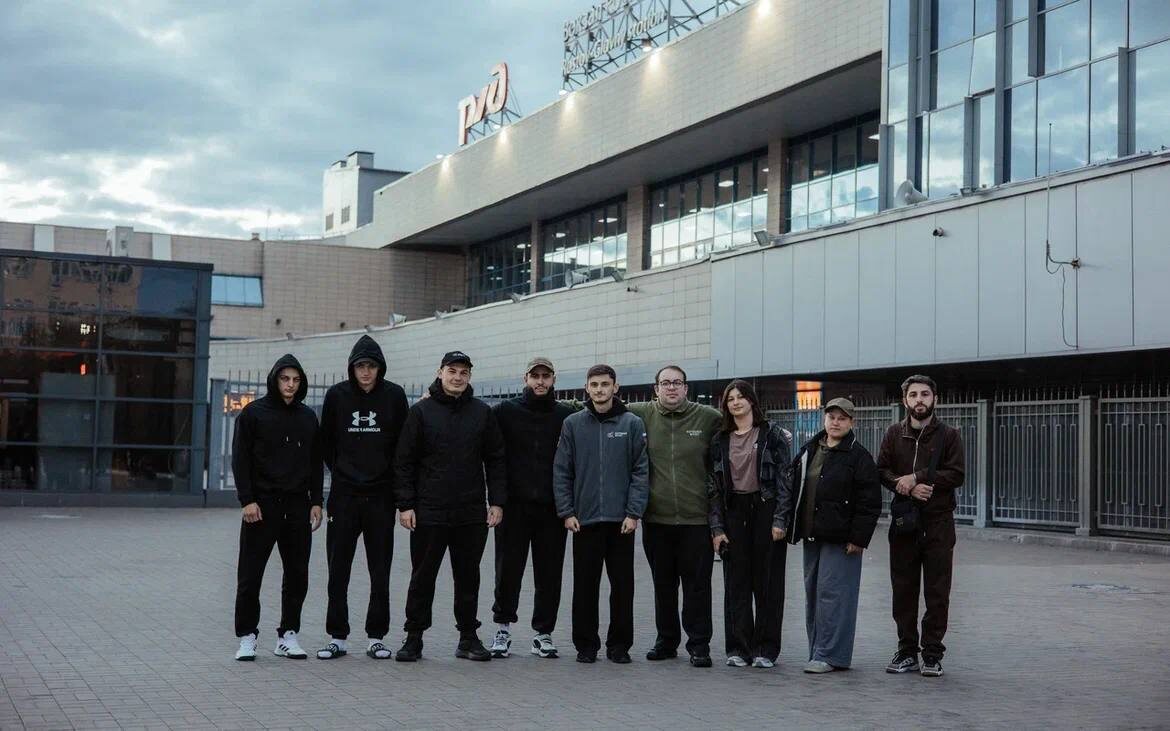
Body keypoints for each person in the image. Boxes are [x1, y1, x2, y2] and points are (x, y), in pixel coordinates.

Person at [393, 351, 506, 662]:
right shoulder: (421, 412)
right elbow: (404, 461)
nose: (457, 377)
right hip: (429, 511)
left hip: (470, 512)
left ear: (470, 377)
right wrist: (405, 504)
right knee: (422, 577)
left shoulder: (482, 413)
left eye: (463, 372)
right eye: (452, 371)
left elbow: (496, 459)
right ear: (440, 372)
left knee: (468, 577)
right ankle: (414, 637)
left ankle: (468, 637)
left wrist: (497, 502)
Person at [316, 335, 409, 661]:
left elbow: (403, 447)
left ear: (379, 367)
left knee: (380, 571)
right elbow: (325, 443)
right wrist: (344, 471)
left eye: (371, 366)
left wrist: (396, 492)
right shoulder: (336, 395)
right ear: (352, 368)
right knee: (337, 570)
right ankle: (337, 636)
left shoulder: (394, 396)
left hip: (381, 498)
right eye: (360, 366)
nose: (366, 372)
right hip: (344, 497)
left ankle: (376, 637)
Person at [553, 364, 649, 664]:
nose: (599, 390)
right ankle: (586, 645)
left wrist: (634, 513)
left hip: (622, 523)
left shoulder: (632, 423)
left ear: (615, 387)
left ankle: (619, 646)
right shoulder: (572, 424)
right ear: (587, 388)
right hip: (584, 521)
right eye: (594, 385)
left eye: (605, 384)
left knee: (622, 587)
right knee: (585, 587)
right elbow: (562, 471)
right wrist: (567, 511)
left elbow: (641, 471)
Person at [231, 353, 323, 661]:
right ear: (274, 380)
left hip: (297, 506)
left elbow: (315, 462)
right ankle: (247, 637)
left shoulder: (308, 417)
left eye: (296, 380)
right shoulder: (253, 414)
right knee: (250, 575)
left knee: (297, 574)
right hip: (261, 506)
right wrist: (247, 500)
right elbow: (240, 458)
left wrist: (316, 501)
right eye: (285, 379)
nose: (290, 385)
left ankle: (288, 635)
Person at [631, 365, 721, 668]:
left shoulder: (707, 417)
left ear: (686, 388)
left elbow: (741, 424)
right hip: (657, 520)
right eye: (665, 383)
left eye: (677, 382)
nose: (671, 387)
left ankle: (699, 645)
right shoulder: (641, 414)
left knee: (698, 586)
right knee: (663, 585)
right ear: (656, 388)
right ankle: (666, 641)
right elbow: (598, 404)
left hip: (696, 521)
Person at [877, 375, 965, 678]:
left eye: (925, 394)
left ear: (934, 399)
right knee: (903, 590)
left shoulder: (949, 435)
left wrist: (918, 477)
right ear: (905, 400)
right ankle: (906, 652)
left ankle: (932, 654)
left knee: (937, 591)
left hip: (939, 522)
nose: (919, 400)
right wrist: (906, 487)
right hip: (904, 522)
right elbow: (882, 471)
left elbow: (956, 474)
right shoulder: (893, 434)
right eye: (913, 395)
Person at [488, 357, 576, 659]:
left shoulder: (565, 416)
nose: (540, 381)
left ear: (553, 380)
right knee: (507, 571)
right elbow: (478, 428)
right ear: (525, 378)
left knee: (549, 574)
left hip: (552, 509)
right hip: (513, 508)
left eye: (545, 376)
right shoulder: (505, 411)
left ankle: (543, 633)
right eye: (535, 376)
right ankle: (502, 629)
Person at [789, 397, 881, 673]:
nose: (836, 422)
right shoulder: (811, 448)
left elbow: (869, 502)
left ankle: (830, 656)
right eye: (831, 417)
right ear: (824, 419)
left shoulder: (859, 456)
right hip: (812, 534)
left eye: (842, 418)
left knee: (835, 596)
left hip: (841, 539)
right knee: (814, 595)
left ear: (852, 422)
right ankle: (817, 651)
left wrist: (858, 538)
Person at [708, 380, 793, 669]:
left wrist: (780, 519)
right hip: (733, 511)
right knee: (736, 582)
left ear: (752, 401)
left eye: (740, 397)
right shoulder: (719, 440)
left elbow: (785, 479)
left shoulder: (772, 434)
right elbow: (713, 487)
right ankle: (738, 648)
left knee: (768, 583)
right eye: (730, 399)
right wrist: (717, 528)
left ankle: (765, 650)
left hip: (766, 508)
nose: (735, 402)